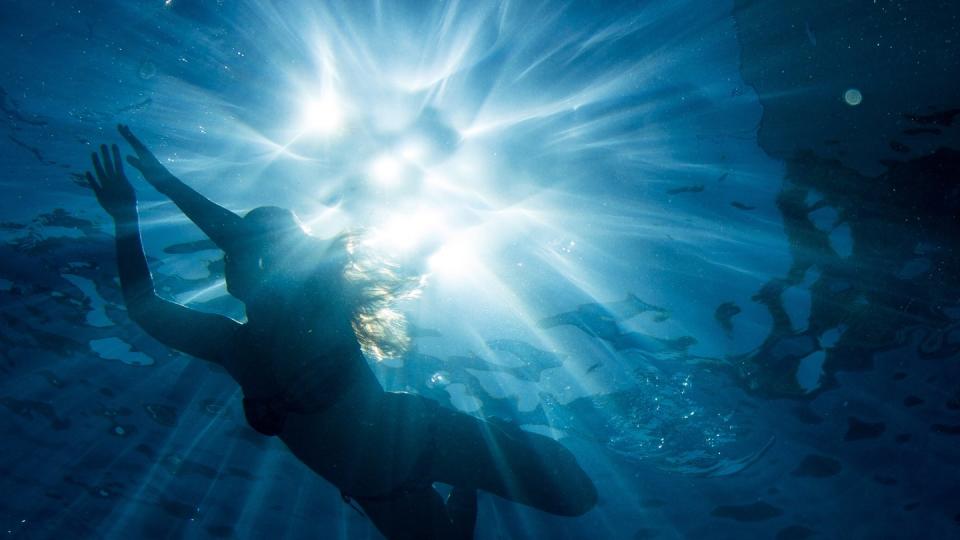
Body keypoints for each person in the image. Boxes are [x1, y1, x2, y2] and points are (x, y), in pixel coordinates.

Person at [85, 125, 597, 539]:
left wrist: (162, 186)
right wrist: (125, 217)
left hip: (425, 439)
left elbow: (236, 238)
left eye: (263, 245)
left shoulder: (318, 297)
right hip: (382, 492)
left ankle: (496, 439)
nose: (244, 251)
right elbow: (144, 307)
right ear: (232, 272)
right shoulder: (231, 344)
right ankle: (474, 475)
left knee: (577, 499)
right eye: (241, 252)